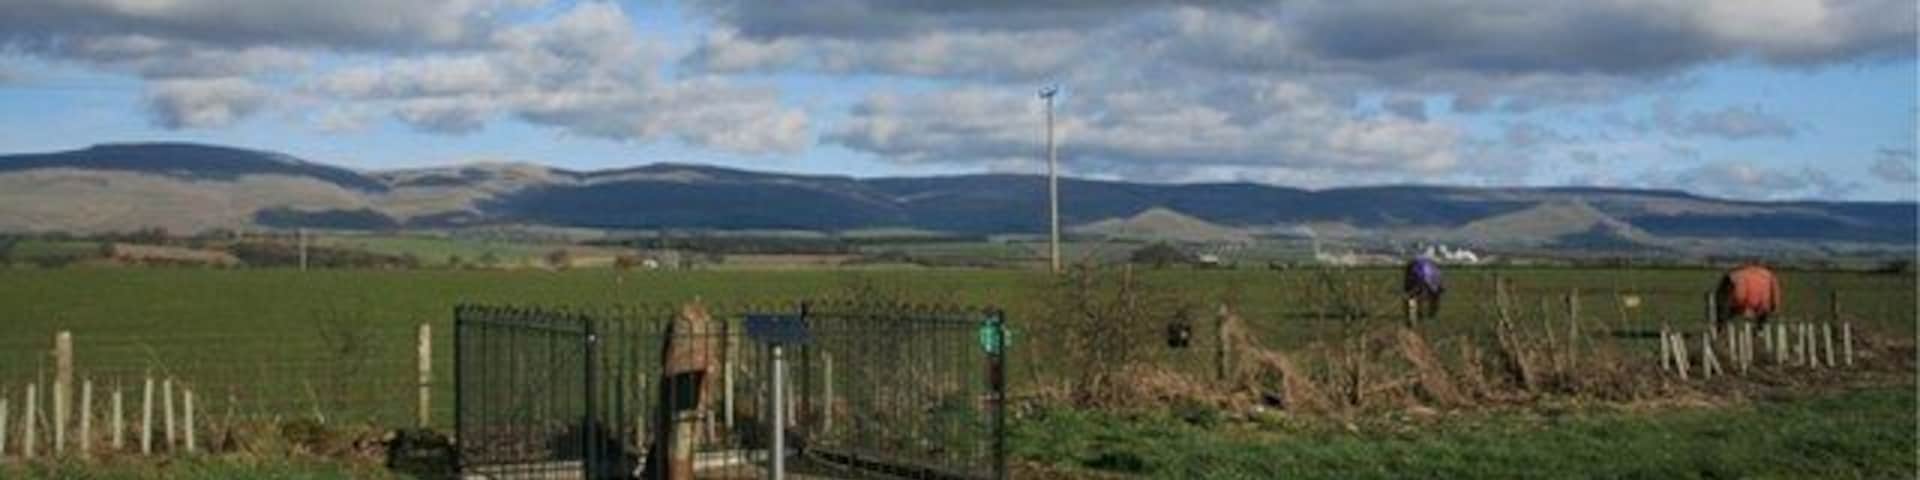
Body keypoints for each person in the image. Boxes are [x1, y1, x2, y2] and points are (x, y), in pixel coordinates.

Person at [1715, 261, 1781, 331]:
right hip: (1748, 296)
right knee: (1762, 316)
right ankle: (1758, 332)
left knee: (1724, 310)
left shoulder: (1741, 274)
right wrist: (1775, 307)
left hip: (1735, 283)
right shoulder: (1769, 276)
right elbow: (1774, 296)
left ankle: (1720, 328)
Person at [1403, 255, 1444, 321]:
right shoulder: (1431, 268)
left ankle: (1416, 314)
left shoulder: (1416, 266)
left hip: (1420, 278)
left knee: (1414, 296)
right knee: (1427, 296)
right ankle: (1425, 313)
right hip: (1426, 279)